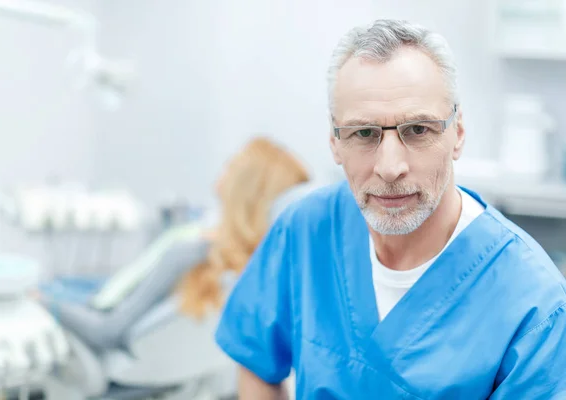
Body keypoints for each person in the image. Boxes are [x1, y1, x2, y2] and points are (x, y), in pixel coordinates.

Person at [214, 19, 566, 399]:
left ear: (458, 133)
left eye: (418, 130)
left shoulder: (533, 304)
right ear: (335, 140)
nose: (389, 166)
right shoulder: (307, 229)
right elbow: (255, 361)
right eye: (363, 133)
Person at [37, 137, 310, 350]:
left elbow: (108, 330)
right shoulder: (244, 262)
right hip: (103, 295)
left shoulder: (191, 253)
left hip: (100, 314)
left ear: (244, 187)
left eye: (231, 166)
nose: (223, 170)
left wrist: (41, 302)